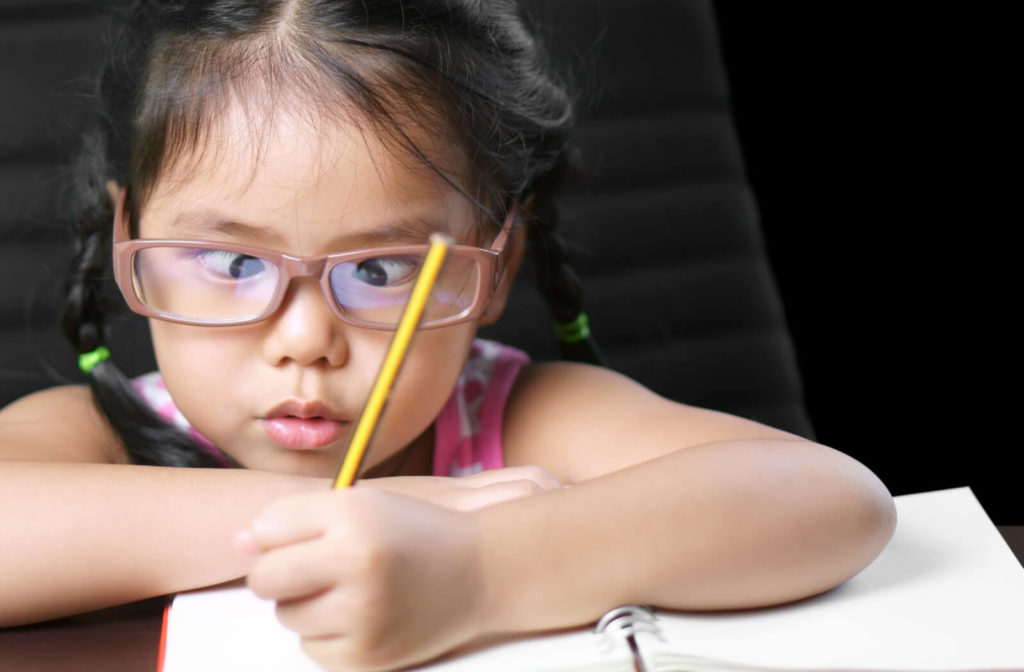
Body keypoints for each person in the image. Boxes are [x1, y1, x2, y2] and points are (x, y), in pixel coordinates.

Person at [0, 1, 896, 670]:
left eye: (381, 271)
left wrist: (478, 570)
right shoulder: (103, 436)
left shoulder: (517, 415)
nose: (306, 340)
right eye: (231, 265)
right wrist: (373, 519)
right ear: (128, 240)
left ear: (491, 270)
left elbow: (833, 500)